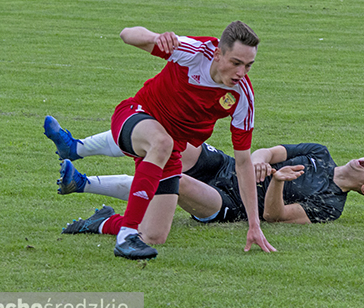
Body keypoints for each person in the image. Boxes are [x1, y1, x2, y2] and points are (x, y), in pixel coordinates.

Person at [80, 21, 272, 260]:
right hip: (135, 114)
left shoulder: (242, 96)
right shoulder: (193, 52)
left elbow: (243, 162)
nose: (241, 73)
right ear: (217, 54)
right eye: (235, 63)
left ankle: (103, 222)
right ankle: (125, 233)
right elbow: (127, 34)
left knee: (153, 235)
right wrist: (156, 37)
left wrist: (254, 223)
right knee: (162, 142)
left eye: (248, 66)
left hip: (168, 150)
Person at [44, 120, 364, 225]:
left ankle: (83, 184)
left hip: (232, 203)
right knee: (171, 138)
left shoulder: (331, 206)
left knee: (174, 180)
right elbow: (271, 152)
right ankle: (75, 147)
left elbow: (274, 215)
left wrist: (275, 181)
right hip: (229, 167)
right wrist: (257, 160)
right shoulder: (321, 153)